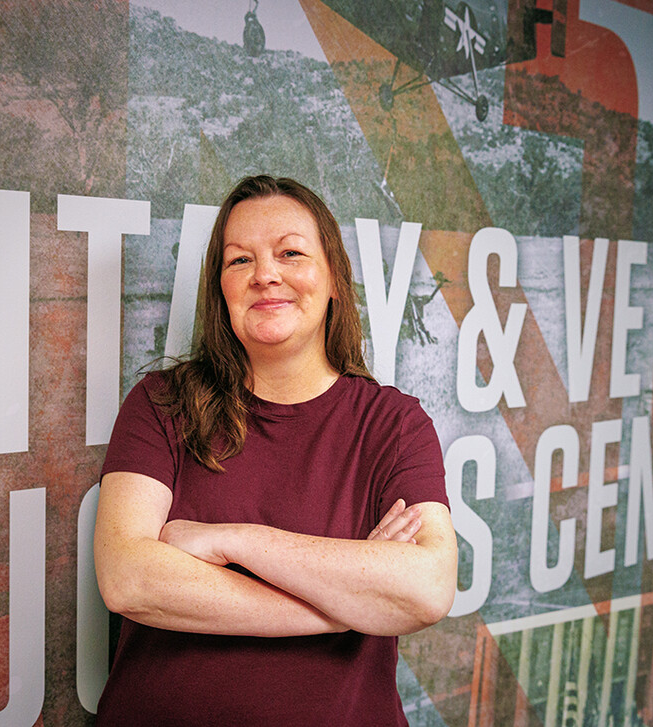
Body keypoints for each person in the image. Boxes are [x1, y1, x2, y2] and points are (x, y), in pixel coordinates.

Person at [93, 175, 457, 725]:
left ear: (333, 277)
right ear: (220, 288)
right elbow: (129, 578)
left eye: (290, 252)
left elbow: (426, 588)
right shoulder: (161, 404)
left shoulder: (393, 425)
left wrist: (233, 541)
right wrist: (342, 608)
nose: (265, 275)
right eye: (240, 261)